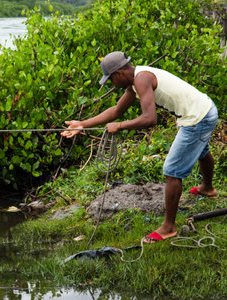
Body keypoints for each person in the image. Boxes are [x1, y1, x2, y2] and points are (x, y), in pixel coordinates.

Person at [61, 51, 219, 243]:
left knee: (172, 171)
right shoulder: (137, 78)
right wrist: (82, 124)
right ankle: (207, 188)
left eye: (110, 80)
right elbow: (117, 110)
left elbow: (149, 119)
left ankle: (168, 227)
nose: (112, 84)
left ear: (119, 73)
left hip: (197, 118)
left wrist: (119, 127)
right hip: (205, 108)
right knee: (201, 150)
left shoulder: (142, 80)